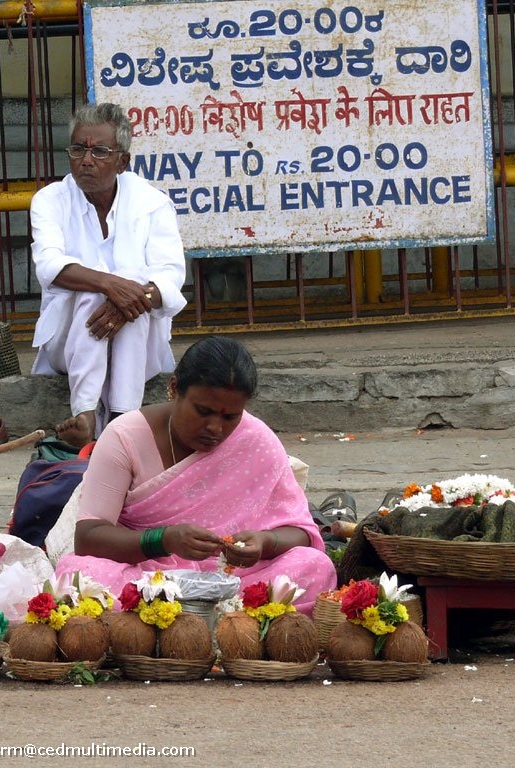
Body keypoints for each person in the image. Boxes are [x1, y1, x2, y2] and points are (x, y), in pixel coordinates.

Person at [54, 336, 336, 613]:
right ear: (174, 388)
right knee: (81, 573)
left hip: (236, 579)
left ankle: (202, 619)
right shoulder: (124, 437)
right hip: (150, 578)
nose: (215, 428)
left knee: (315, 565)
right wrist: (163, 540)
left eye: (230, 417)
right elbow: (89, 537)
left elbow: (300, 532)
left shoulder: (256, 439)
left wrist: (263, 543)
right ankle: (223, 618)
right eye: (203, 411)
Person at [29, 102, 187, 448]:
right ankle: (91, 414)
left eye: (99, 151)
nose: (86, 160)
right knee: (101, 286)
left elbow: (171, 277)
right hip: (67, 345)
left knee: (133, 284)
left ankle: (117, 417)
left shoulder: (151, 202)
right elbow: (49, 266)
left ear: (122, 161)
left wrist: (127, 299)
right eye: (78, 150)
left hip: (139, 345)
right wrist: (110, 286)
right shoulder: (50, 199)